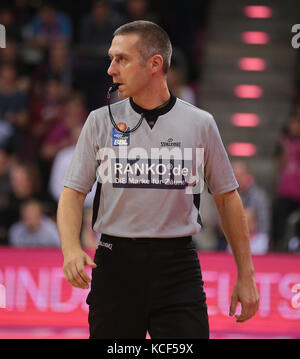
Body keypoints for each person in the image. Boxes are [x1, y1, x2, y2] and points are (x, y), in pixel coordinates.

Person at [57, 20, 259, 339]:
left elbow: (227, 198)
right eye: (111, 58)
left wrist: (246, 276)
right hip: (115, 263)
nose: (111, 69)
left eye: (121, 59)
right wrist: (70, 248)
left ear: (154, 64)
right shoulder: (99, 121)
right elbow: (72, 193)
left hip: (177, 266)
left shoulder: (200, 123)